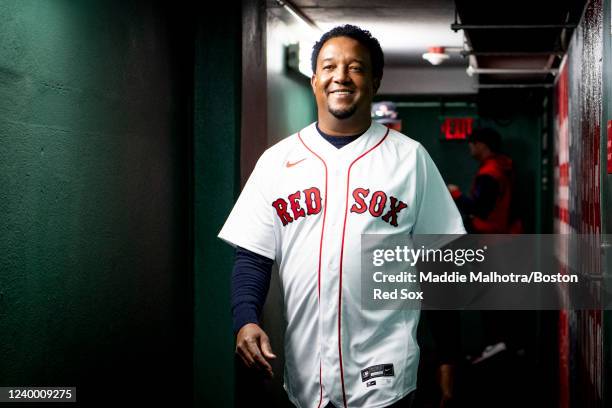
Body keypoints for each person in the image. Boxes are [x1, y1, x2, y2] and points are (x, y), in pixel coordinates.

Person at [219, 25, 465, 408]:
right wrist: (245, 318)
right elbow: (252, 256)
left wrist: (450, 356)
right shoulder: (276, 161)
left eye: (356, 67)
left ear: (375, 80)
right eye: (329, 66)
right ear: (314, 78)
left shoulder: (410, 158)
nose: (341, 76)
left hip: (387, 373)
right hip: (306, 373)